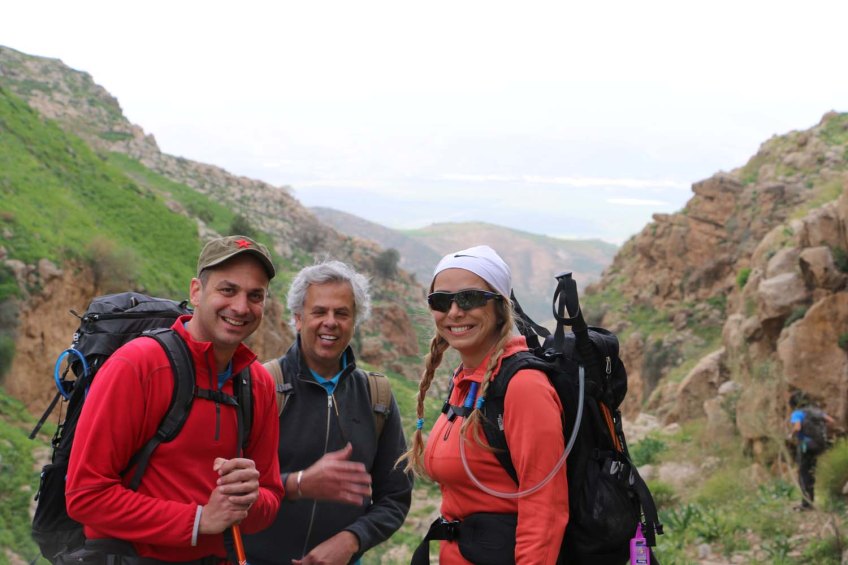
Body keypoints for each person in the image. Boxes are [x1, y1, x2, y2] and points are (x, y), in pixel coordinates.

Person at [66, 235, 284, 562]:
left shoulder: (258, 384)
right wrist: (197, 520)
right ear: (196, 291)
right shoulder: (139, 366)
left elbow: (269, 502)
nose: (241, 307)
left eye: (256, 296)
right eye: (228, 290)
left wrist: (249, 499)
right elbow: (85, 496)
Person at [400, 245, 568, 565]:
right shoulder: (467, 380)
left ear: (501, 307)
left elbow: (545, 508)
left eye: (470, 298)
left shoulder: (523, 386)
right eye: (440, 301)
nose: (454, 312)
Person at [244, 260, 413, 565]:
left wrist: (351, 540)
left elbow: (395, 498)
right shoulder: (262, 386)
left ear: (355, 320)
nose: (330, 322)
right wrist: (297, 483)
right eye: (319, 312)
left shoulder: (378, 397)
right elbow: (228, 489)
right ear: (298, 319)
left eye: (342, 313)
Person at [788, 390, 835, 510]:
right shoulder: (815, 411)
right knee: (811, 472)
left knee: (803, 474)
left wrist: (791, 434)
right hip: (819, 446)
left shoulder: (797, 413)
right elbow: (831, 421)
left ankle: (806, 504)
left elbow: (797, 427)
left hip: (806, 446)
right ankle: (810, 501)